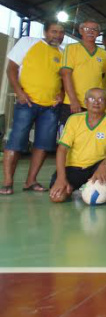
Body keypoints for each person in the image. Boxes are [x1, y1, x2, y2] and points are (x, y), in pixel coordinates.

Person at [2, 21, 64, 195]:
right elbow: (11, 69)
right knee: (16, 141)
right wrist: (19, 92)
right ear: (45, 31)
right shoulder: (28, 42)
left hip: (51, 107)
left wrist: (61, 94)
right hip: (27, 103)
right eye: (54, 31)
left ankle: (31, 181)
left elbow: (63, 79)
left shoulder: (62, 53)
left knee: (42, 145)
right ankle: (7, 181)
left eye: (61, 32)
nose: (57, 36)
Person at [49, 88, 106, 203]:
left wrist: (105, 164)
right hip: (73, 168)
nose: (96, 102)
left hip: (97, 166)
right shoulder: (74, 119)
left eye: (101, 99)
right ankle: (83, 185)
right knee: (57, 198)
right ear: (85, 102)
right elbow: (62, 149)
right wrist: (61, 178)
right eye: (92, 98)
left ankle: (89, 186)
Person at [60, 20, 106, 125]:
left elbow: (102, 79)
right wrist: (73, 100)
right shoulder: (71, 48)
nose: (91, 32)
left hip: (94, 105)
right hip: (73, 103)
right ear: (81, 31)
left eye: (94, 29)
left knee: (90, 137)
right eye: (87, 29)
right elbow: (65, 74)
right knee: (70, 137)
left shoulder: (104, 54)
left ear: (98, 33)